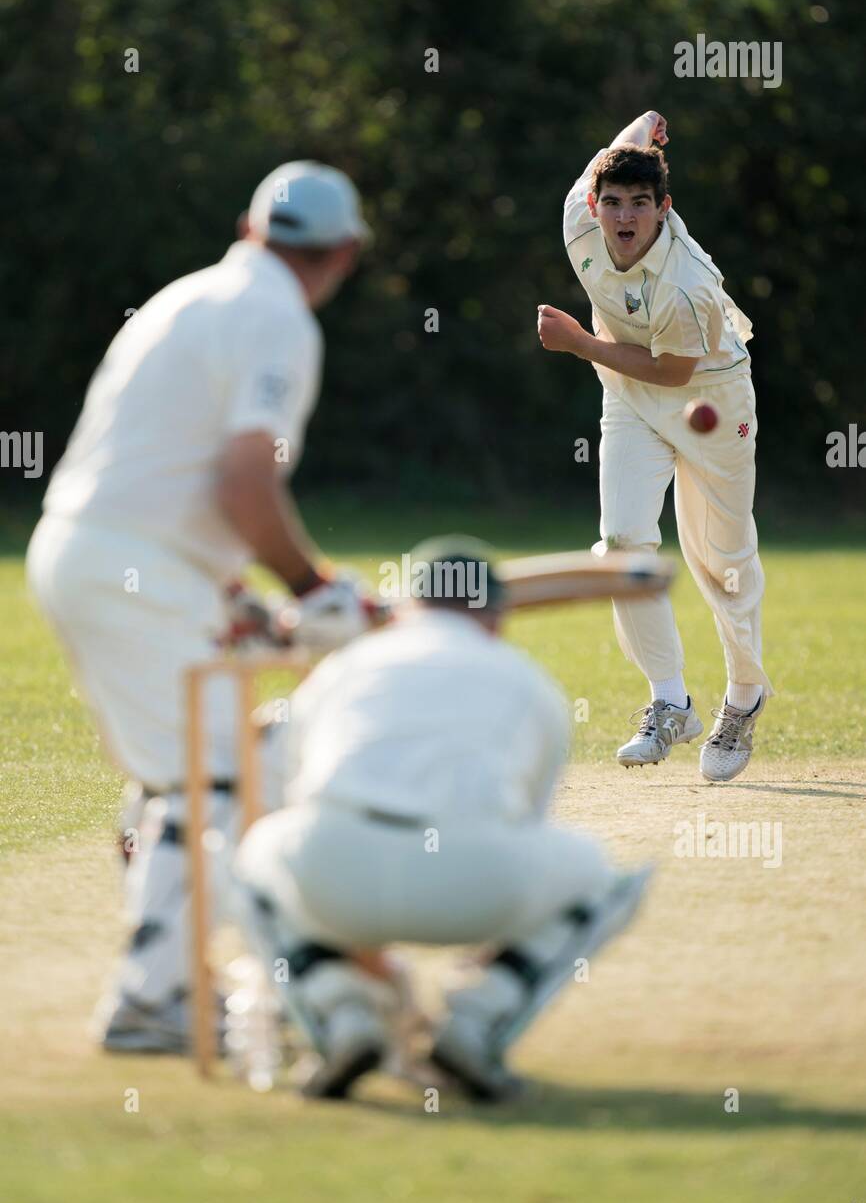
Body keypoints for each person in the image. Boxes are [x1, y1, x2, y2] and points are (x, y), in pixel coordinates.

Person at [27, 160, 375, 1051]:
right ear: (344, 253)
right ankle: (153, 1002)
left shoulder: (189, 296)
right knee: (215, 779)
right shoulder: (278, 320)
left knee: (178, 781)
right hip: (128, 568)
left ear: (251, 227)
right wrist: (313, 589)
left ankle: (169, 983)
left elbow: (162, 471)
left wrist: (237, 595)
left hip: (96, 553)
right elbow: (241, 479)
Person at [235, 537, 651, 1101]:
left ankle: (342, 1015)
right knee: (607, 880)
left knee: (251, 859)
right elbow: (529, 821)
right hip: (475, 884)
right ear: (497, 620)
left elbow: (294, 790)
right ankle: (477, 1021)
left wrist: (358, 943)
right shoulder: (529, 682)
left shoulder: (344, 667)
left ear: (408, 608)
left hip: (336, 870)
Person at [538, 111, 772, 781]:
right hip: (629, 393)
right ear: (594, 204)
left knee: (720, 563)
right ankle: (670, 701)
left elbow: (674, 372)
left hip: (710, 396)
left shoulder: (689, 284)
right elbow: (615, 152)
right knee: (622, 544)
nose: (623, 217)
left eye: (640, 204)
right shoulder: (578, 221)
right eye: (612, 202)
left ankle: (745, 694)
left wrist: (579, 344)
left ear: (663, 210)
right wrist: (643, 124)